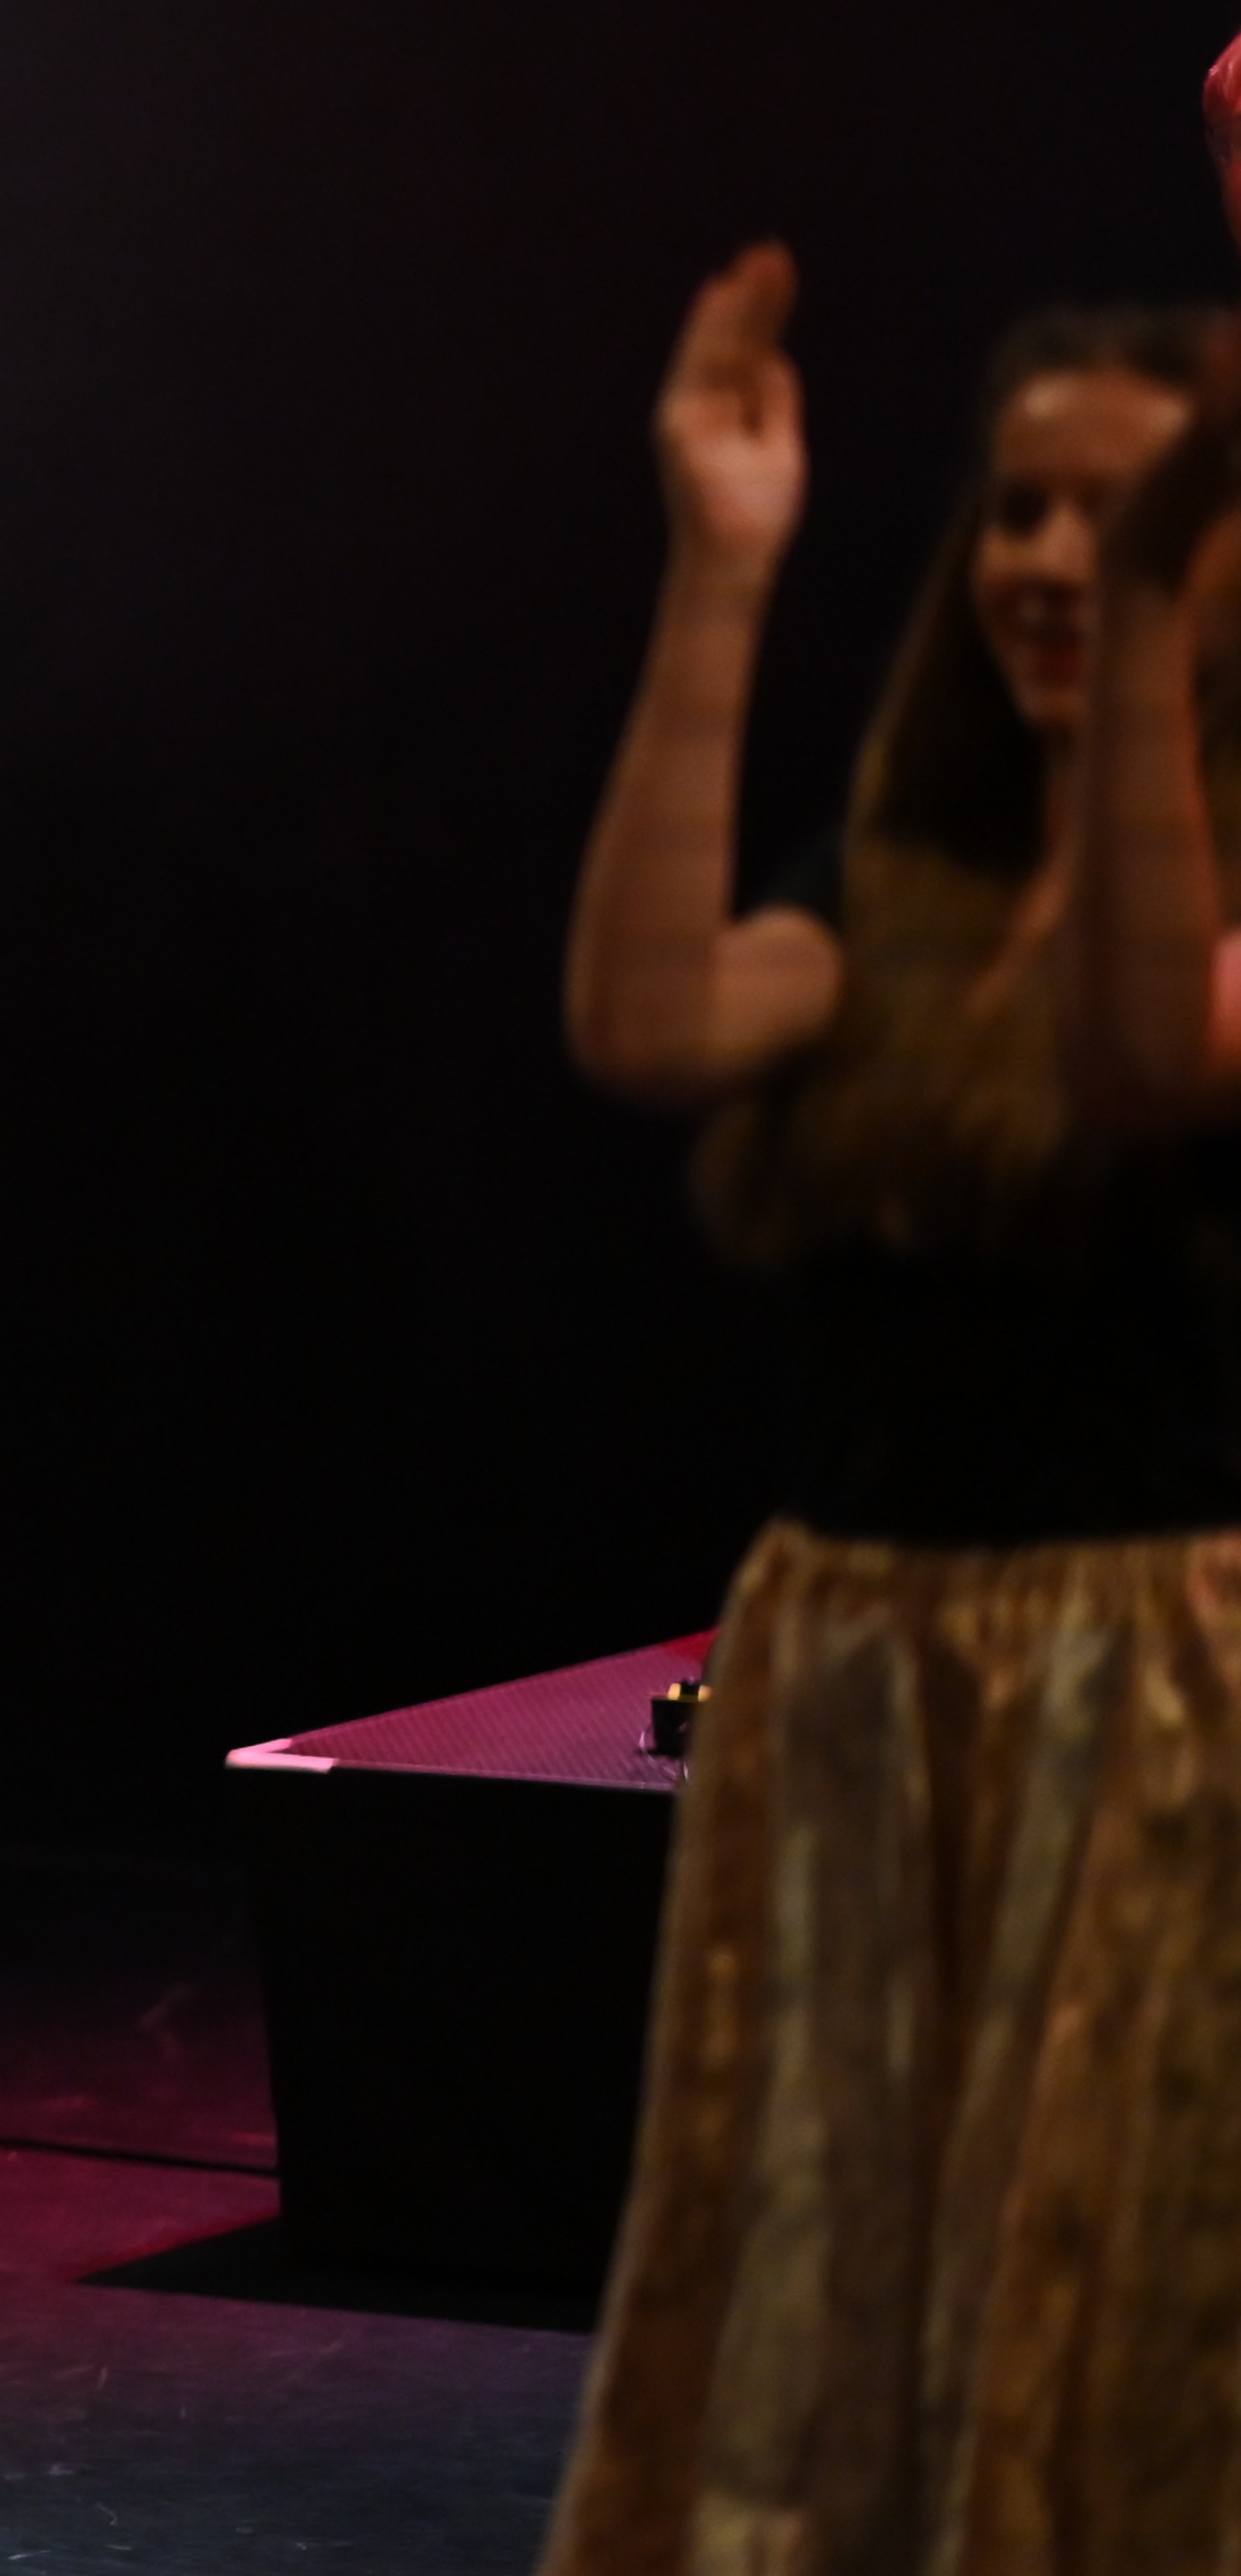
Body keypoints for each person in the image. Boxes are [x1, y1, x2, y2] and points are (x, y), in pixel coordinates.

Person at [542, 234, 1241, 2570]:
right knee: (835, 2282)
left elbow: (1142, 1060)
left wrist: (1150, 644)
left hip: (1157, 1696)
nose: (1050, 559)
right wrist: (720, 571)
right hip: (857, 1670)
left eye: (1121, 519)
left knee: (1106, 2292)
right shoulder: (899, 883)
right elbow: (649, 1016)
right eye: (1021, 509)